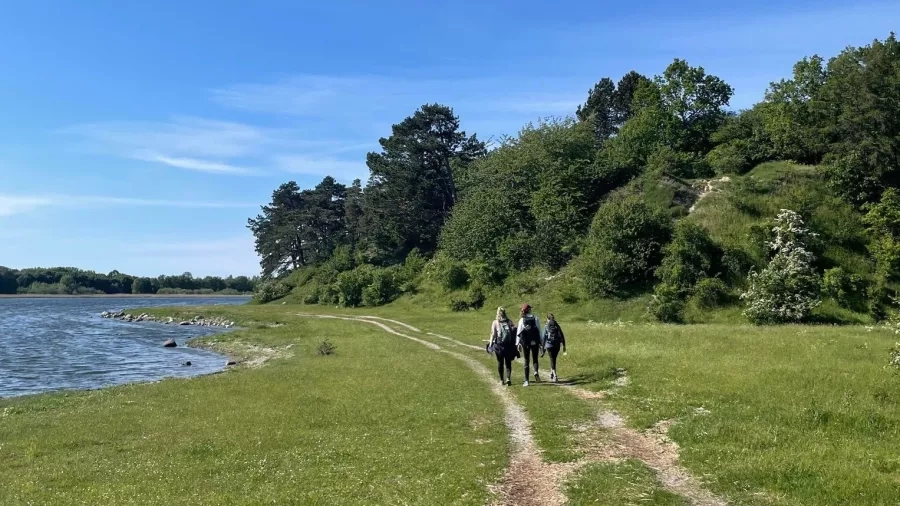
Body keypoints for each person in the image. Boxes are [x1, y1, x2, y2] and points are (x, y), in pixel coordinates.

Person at [488, 306, 518, 386]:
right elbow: (514, 332)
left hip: (499, 345)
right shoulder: (509, 321)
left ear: (497, 313)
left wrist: (490, 345)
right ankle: (508, 378)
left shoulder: (495, 322)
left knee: (500, 363)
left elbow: (493, 334)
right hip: (508, 345)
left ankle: (501, 380)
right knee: (508, 363)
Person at [516, 304, 542, 386]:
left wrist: (517, 343)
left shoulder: (522, 320)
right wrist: (541, 341)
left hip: (525, 343)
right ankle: (535, 372)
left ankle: (526, 380)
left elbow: (519, 333)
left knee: (526, 360)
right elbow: (539, 330)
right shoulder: (535, 318)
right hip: (534, 341)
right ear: (529, 310)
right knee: (535, 358)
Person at [541, 313, 567, 382]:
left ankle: (555, 375)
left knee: (552, 359)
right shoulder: (557, 325)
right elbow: (562, 335)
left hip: (549, 345)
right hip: (557, 344)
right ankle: (552, 373)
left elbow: (544, 338)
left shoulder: (546, 326)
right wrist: (564, 345)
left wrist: (542, 348)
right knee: (554, 359)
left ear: (548, 319)